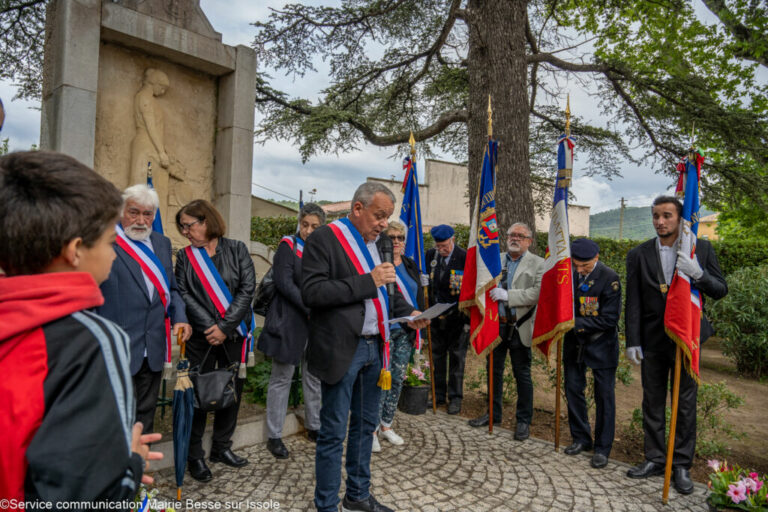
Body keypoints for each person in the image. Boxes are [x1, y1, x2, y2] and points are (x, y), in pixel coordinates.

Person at [0, 151, 161, 504]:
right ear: (75, 251)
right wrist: (129, 465)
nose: (116, 254)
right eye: (109, 242)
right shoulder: (94, 341)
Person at [302, 182, 429, 512]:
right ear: (357, 209)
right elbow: (312, 293)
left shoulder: (381, 242)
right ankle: (326, 505)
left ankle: (357, 496)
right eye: (379, 215)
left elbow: (388, 291)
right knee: (333, 433)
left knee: (364, 428)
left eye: (387, 217)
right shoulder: (324, 239)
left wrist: (409, 313)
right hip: (343, 348)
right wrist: (366, 281)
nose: (383, 224)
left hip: (376, 349)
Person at [625, 195, 727, 494]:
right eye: (656, 215)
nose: (660, 221)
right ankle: (655, 459)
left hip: (687, 340)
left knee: (685, 406)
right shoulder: (639, 253)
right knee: (652, 403)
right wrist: (632, 340)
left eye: (667, 215)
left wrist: (698, 273)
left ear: (681, 219)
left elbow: (720, 289)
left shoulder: (701, 248)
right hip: (653, 341)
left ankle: (680, 464)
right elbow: (634, 301)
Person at [96, 184, 192, 434]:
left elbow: (171, 289)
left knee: (145, 413)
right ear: (120, 212)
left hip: (154, 346)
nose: (141, 220)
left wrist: (180, 317)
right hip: (117, 348)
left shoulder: (161, 243)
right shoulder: (104, 240)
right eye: (134, 212)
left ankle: (141, 467)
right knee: (114, 417)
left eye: (147, 214)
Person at [174, 199, 256, 483]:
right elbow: (183, 293)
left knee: (231, 393)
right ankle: (194, 455)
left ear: (205, 222)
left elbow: (248, 289)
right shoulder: (185, 257)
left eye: (189, 225)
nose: (185, 231)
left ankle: (221, 448)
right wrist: (210, 326)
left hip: (233, 335)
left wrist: (224, 326)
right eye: (182, 227)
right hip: (201, 337)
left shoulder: (237, 249)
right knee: (198, 396)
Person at [258, 203, 325, 459]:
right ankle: (274, 435)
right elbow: (284, 282)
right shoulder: (288, 246)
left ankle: (314, 426)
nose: (308, 230)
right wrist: (310, 306)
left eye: (314, 226)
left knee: (313, 377)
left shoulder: (322, 250)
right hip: (288, 321)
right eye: (304, 224)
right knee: (281, 379)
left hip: (314, 324)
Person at [468, 222, 543, 441]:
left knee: (523, 375)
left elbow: (536, 293)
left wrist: (508, 295)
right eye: (511, 234)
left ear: (529, 240)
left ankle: (523, 421)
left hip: (520, 326)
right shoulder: (495, 259)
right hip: (496, 324)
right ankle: (493, 414)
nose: (515, 239)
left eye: (520, 236)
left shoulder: (539, 264)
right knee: (494, 372)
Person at [562, 238, 621, 469]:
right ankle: (581, 438)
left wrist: (572, 322)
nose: (579, 270)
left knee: (604, 397)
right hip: (574, 344)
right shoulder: (566, 273)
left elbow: (609, 319)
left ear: (596, 259)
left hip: (601, 346)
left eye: (584, 266)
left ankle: (602, 448)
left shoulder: (610, 278)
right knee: (573, 391)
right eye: (576, 265)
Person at [372, 220, 425, 453]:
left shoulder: (410, 265)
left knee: (397, 379)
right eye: (391, 237)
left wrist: (422, 316)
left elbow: (419, 295)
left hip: (407, 332)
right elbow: (387, 299)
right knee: (381, 381)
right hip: (385, 330)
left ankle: (386, 425)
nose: (396, 242)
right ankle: (371, 429)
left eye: (400, 238)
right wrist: (410, 313)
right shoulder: (379, 265)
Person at [425, 224, 468, 415]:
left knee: (457, 359)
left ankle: (455, 398)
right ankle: (438, 394)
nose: (441, 250)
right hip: (435, 317)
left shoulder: (464, 257)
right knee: (437, 358)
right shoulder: (431, 256)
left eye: (444, 246)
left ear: (452, 239)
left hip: (457, 318)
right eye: (438, 246)